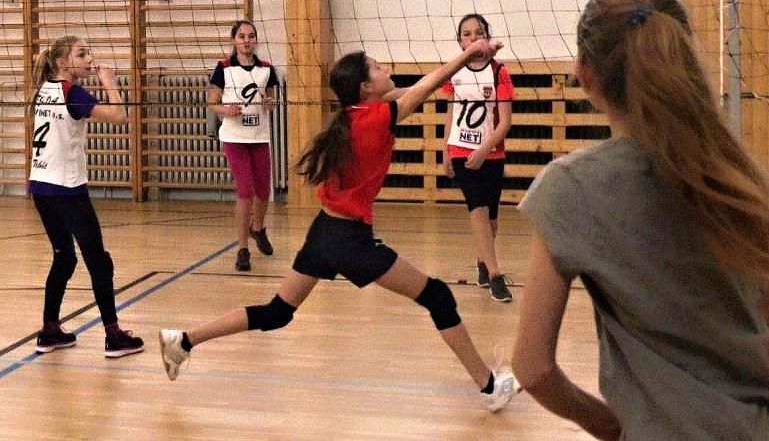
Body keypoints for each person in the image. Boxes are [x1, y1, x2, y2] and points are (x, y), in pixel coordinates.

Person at [159, 38, 519, 411]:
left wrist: (456, 68)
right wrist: (470, 54)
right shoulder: (375, 119)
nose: (385, 69)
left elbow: (409, 89)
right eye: (377, 68)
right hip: (349, 240)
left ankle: (181, 342)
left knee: (276, 313)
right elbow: (425, 88)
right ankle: (490, 387)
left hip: (324, 232)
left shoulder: (354, 113)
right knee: (437, 296)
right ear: (365, 87)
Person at [511, 0, 769, 440]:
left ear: (585, 75)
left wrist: (611, 427)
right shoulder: (744, 184)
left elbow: (534, 369)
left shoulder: (571, 190)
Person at [28, 35, 144, 358]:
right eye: (81, 54)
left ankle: (50, 330)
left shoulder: (43, 89)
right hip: (67, 190)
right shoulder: (71, 93)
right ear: (62, 63)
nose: (89, 59)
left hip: (41, 187)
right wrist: (110, 83)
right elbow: (120, 117)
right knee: (99, 262)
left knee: (65, 257)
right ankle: (113, 335)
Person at [442, 14, 514, 302]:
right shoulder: (454, 72)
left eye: (478, 32)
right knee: (478, 209)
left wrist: (484, 150)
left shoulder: (499, 72)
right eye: (467, 33)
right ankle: (495, 275)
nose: (473, 37)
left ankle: (483, 260)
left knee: (492, 220)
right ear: (460, 41)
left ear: (486, 37)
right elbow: (451, 112)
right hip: (461, 150)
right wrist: (446, 150)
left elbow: (505, 122)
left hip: (491, 151)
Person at [208, 19, 279, 271]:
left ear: (256, 40)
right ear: (234, 41)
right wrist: (226, 109)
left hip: (259, 136)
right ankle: (242, 249)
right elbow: (212, 103)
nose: (247, 40)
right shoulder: (224, 68)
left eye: (251, 36)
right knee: (246, 190)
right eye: (241, 36)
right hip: (234, 137)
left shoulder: (267, 69)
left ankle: (257, 229)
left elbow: (271, 98)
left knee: (263, 191)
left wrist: (270, 103)